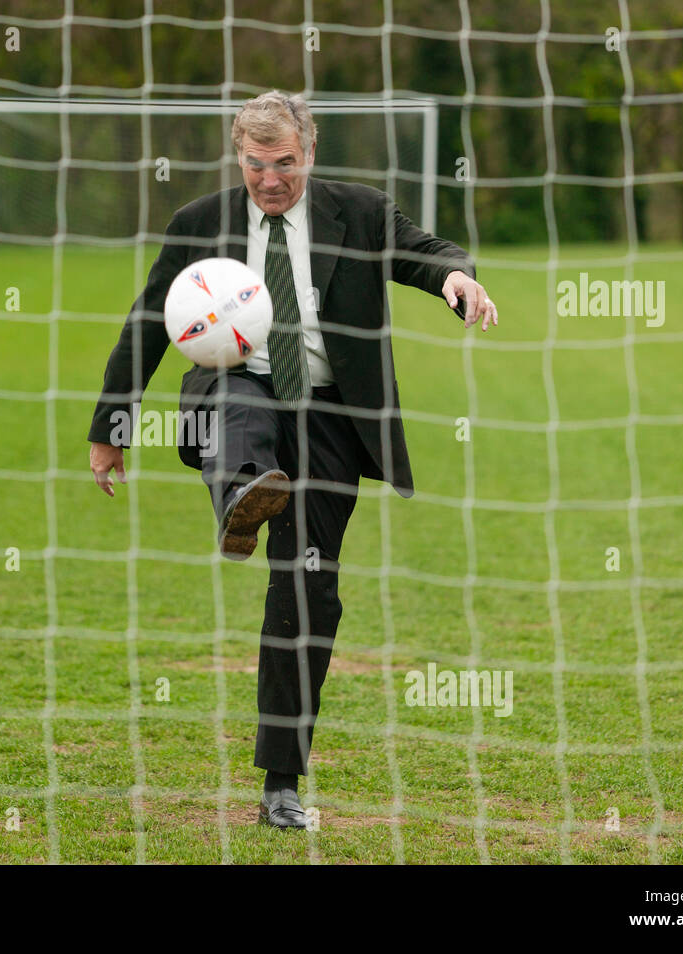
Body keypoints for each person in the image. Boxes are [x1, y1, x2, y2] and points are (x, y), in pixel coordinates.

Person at [87, 90, 499, 828]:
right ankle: (246, 493)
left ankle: (281, 781)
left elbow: (425, 254)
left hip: (331, 417)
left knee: (309, 593)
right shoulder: (201, 224)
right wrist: (112, 425)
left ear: (308, 152)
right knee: (234, 405)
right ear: (237, 156)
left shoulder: (361, 211)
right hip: (234, 387)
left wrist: (456, 279)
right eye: (256, 164)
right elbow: (149, 321)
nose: (270, 179)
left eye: (284, 163)